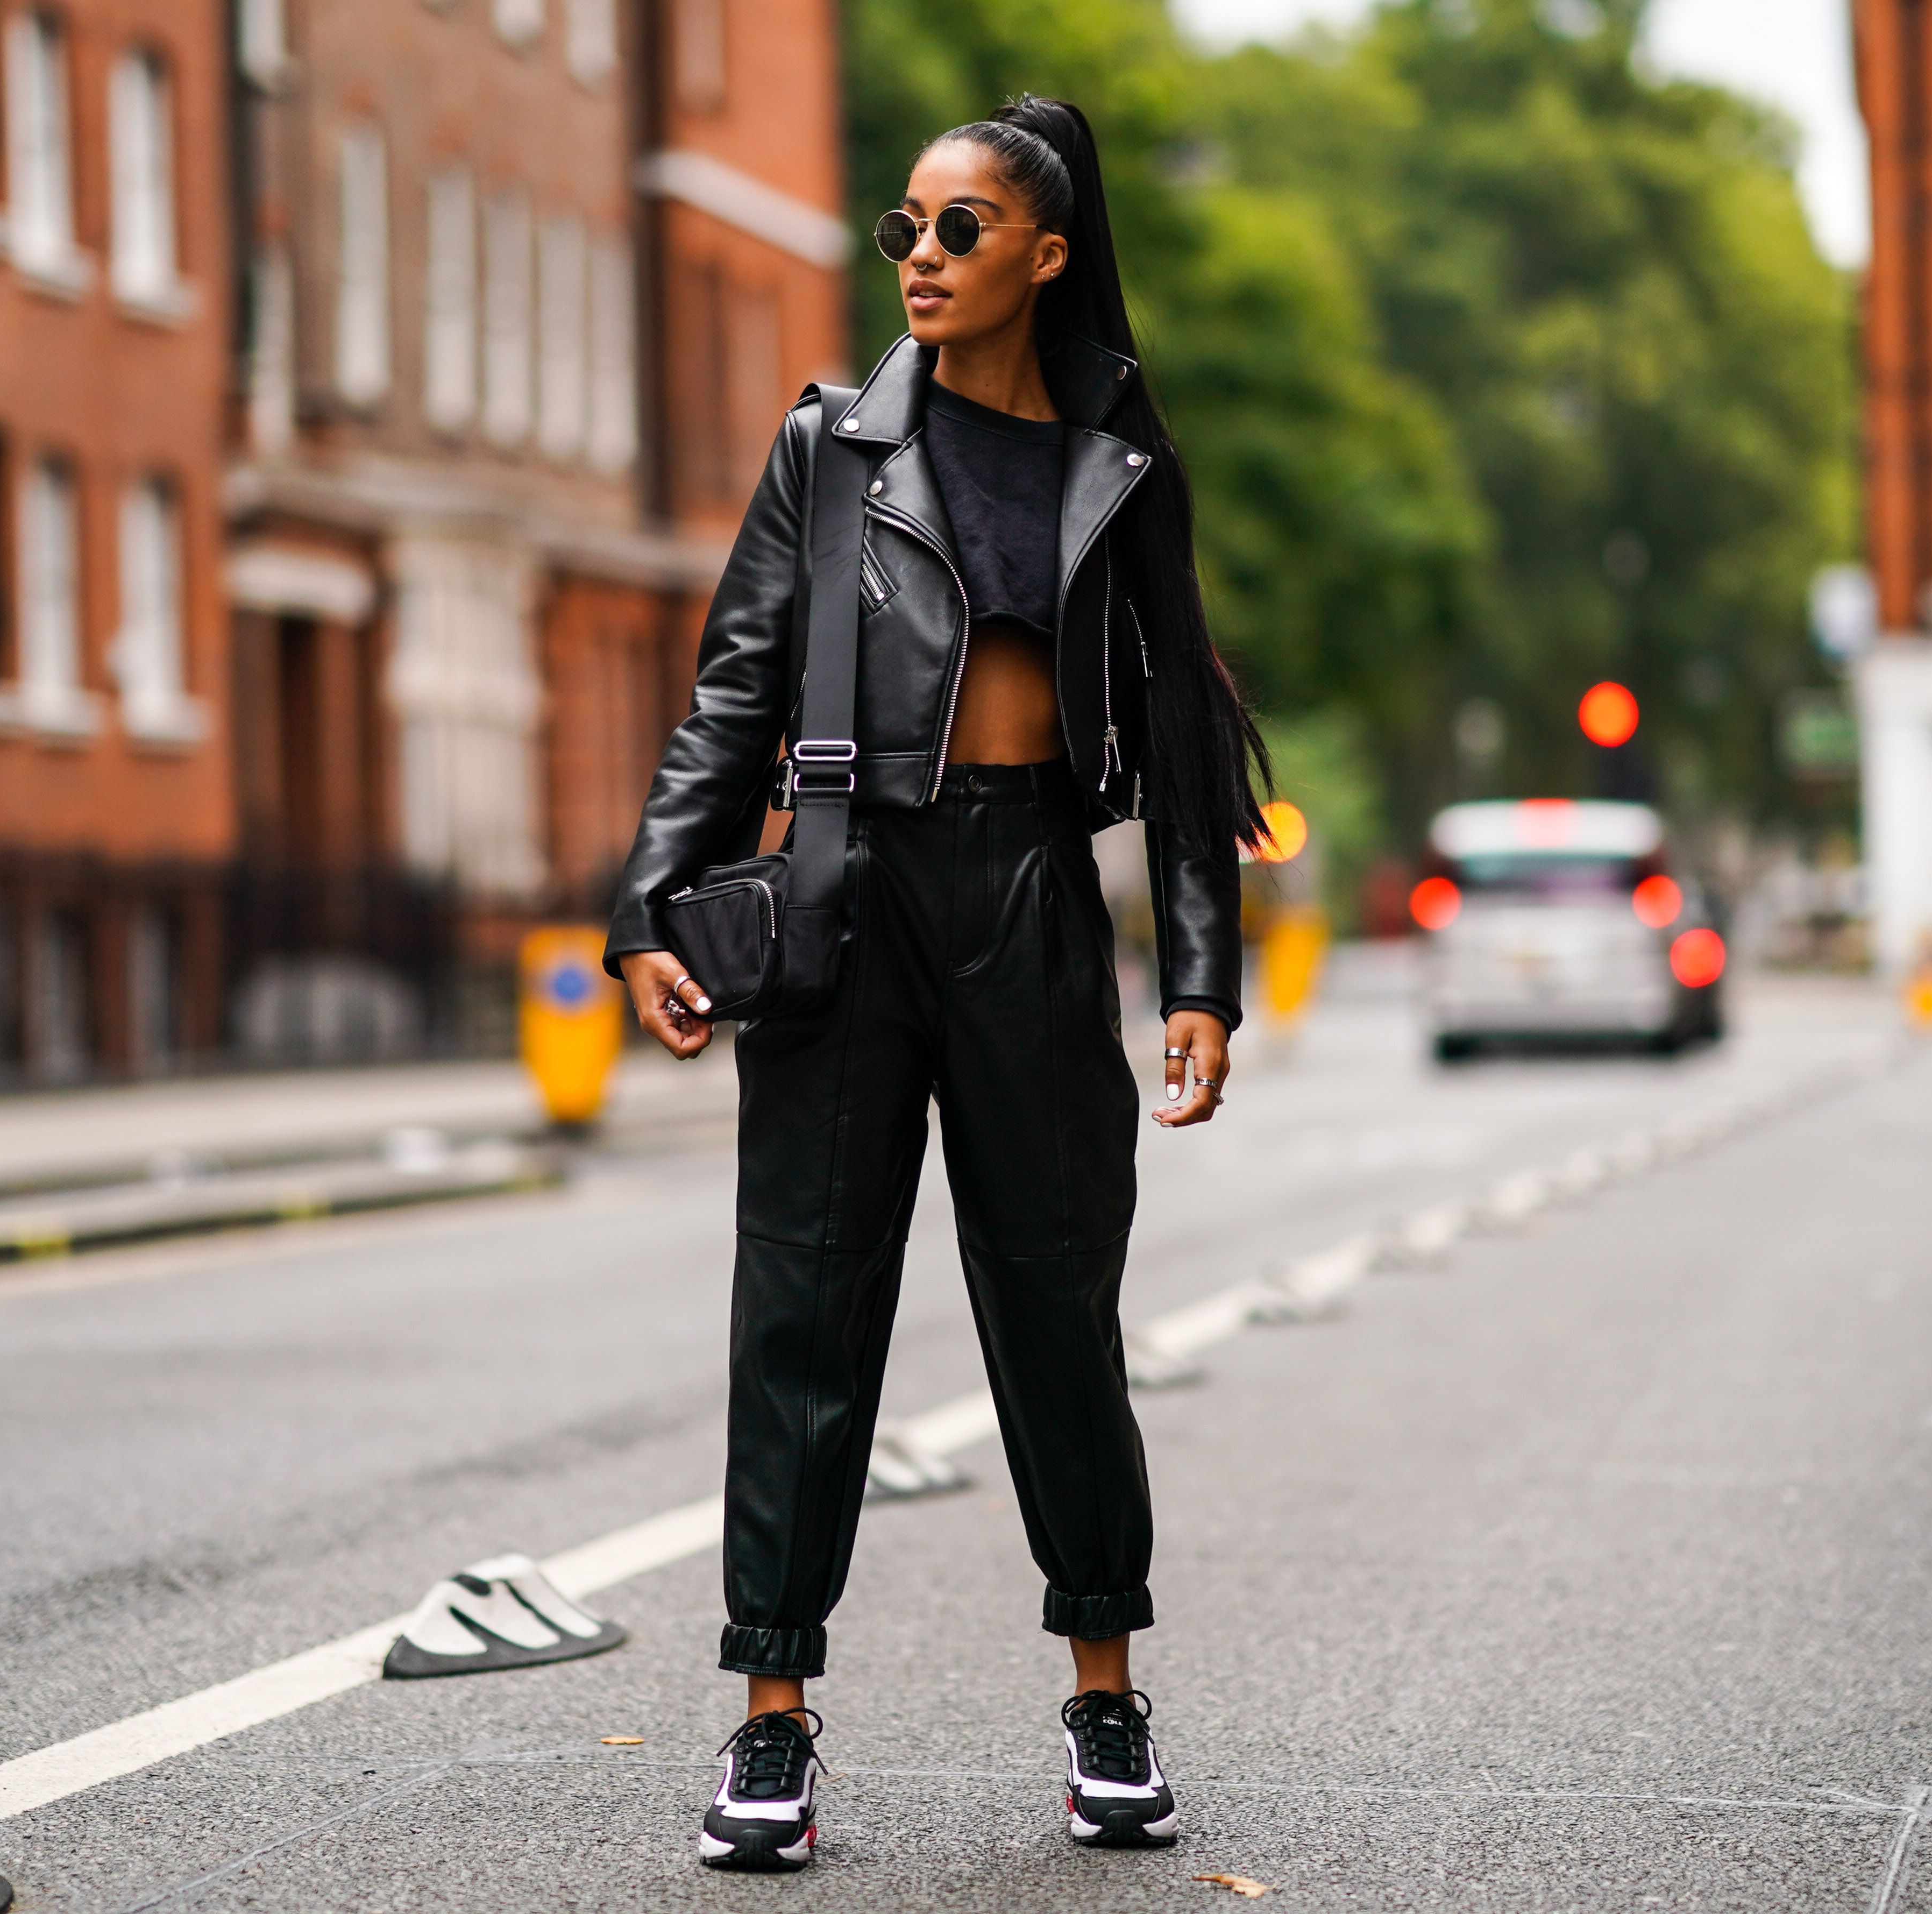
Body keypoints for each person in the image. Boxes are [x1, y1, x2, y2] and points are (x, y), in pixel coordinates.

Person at [603, 95, 1269, 1870]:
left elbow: (1189, 741)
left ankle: (1105, 1695)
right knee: (802, 1311)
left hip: (1029, 896)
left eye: (956, 229)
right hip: (843, 893)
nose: (916, 256)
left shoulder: (1117, 458)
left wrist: (1196, 969)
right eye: (901, 225)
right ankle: (768, 1722)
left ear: (1042, 254)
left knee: (1056, 1309)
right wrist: (650, 909)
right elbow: (728, 696)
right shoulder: (826, 450)